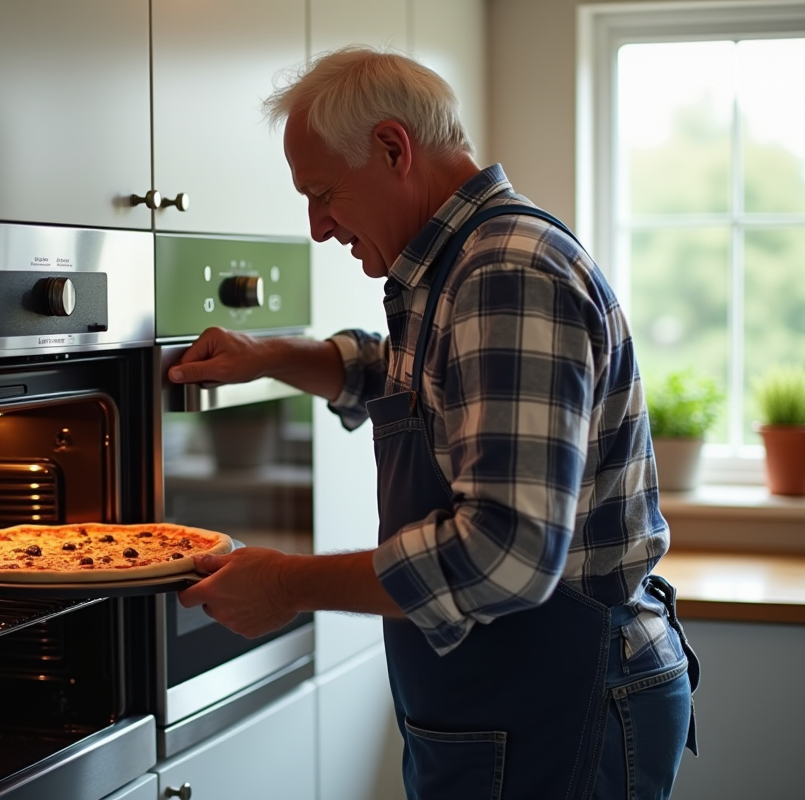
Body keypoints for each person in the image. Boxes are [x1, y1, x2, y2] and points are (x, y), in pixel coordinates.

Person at [173, 47, 699, 800]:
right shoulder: (461, 263)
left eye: (322, 193)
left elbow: (504, 551)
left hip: (562, 700)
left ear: (394, 148)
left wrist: (286, 584)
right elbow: (409, 381)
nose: (318, 227)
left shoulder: (505, 271)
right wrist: (271, 355)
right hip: (511, 695)